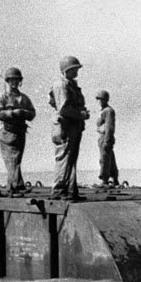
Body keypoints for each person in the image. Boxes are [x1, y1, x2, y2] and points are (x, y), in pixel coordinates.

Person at [49, 56, 89, 199]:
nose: (76, 72)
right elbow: (64, 109)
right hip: (65, 126)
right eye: (73, 70)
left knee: (71, 159)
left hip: (73, 125)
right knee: (64, 158)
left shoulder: (70, 84)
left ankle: (71, 190)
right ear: (66, 70)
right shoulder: (61, 85)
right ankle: (59, 191)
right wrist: (81, 115)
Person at [0, 67, 36, 193]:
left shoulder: (24, 98)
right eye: (12, 80)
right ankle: (15, 186)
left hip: (20, 132)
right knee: (12, 159)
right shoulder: (2, 97)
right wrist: (12, 113)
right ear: (7, 81)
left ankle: (16, 185)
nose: (14, 83)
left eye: (17, 80)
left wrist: (24, 113)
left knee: (16, 160)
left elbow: (32, 113)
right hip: (6, 132)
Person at [95, 89, 119, 186]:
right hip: (104, 137)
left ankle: (104, 179)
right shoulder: (105, 111)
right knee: (110, 158)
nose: (99, 101)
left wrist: (107, 140)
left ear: (105, 100)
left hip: (105, 137)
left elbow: (109, 127)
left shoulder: (108, 111)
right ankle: (114, 179)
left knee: (104, 159)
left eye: (100, 99)